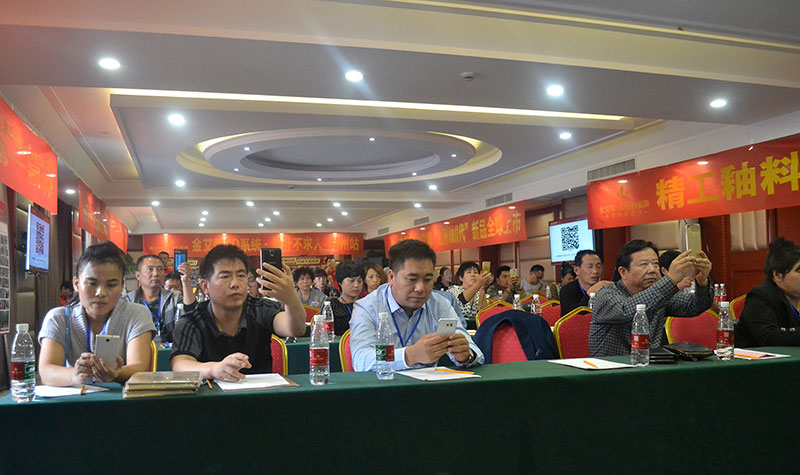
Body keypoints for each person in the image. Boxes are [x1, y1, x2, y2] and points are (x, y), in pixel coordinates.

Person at [171, 244, 306, 381]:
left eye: (241, 276)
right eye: (225, 277)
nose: (235, 284)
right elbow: (179, 364)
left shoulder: (261, 308)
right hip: (211, 393)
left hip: (260, 392)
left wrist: (291, 299)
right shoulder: (192, 320)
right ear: (205, 286)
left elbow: (296, 329)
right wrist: (214, 369)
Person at [350, 239, 483, 371]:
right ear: (391, 277)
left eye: (427, 280)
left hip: (428, 383)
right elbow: (361, 359)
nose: (420, 288)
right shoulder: (367, 307)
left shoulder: (439, 305)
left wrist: (465, 355)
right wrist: (410, 355)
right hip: (383, 383)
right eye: (412, 279)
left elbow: (475, 353)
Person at [38, 242, 155, 386]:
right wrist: (75, 375)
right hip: (75, 397)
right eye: (92, 283)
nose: (101, 293)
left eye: (111, 285)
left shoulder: (137, 314)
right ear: (76, 284)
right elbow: (46, 371)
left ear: (122, 285)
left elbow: (139, 367)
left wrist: (117, 374)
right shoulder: (58, 318)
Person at [590, 240, 713, 357]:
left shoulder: (659, 296)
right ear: (623, 272)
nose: (652, 270)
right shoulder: (606, 295)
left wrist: (702, 281)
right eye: (644, 264)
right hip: (612, 368)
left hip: (650, 366)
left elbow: (694, 307)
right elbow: (628, 310)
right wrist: (670, 280)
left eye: (655, 264)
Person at [735, 238, 800, 347]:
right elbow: (768, 337)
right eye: (799, 270)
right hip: (758, 357)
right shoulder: (760, 297)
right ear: (777, 275)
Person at [123, 254, 196, 343]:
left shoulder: (174, 297)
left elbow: (191, 313)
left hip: (169, 348)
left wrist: (185, 281)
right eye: (150, 269)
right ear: (138, 275)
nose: (155, 274)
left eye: (160, 269)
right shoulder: (128, 301)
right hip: (137, 348)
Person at [560, 250, 613, 316]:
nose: (595, 271)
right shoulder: (567, 291)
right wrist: (591, 293)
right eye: (590, 267)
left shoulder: (606, 289)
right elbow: (570, 319)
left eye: (598, 266)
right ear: (576, 270)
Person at [328, 260, 364, 335]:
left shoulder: (366, 303)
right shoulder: (331, 306)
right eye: (351, 281)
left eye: (359, 281)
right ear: (340, 282)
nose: (356, 285)